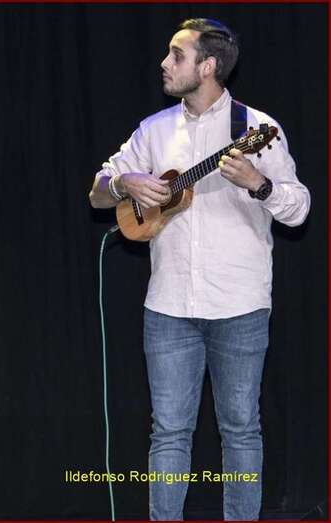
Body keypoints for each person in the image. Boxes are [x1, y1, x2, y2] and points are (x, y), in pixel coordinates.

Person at [88, 18, 310, 521]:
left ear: (207, 67)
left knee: (240, 430)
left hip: (240, 305)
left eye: (177, 55)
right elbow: (99, 191)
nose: (165, 64)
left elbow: (299, 209)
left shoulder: (257, 129)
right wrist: (127, 182)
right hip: (167, 306)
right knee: (168, 431)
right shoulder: (154, 129)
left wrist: (258, 182)